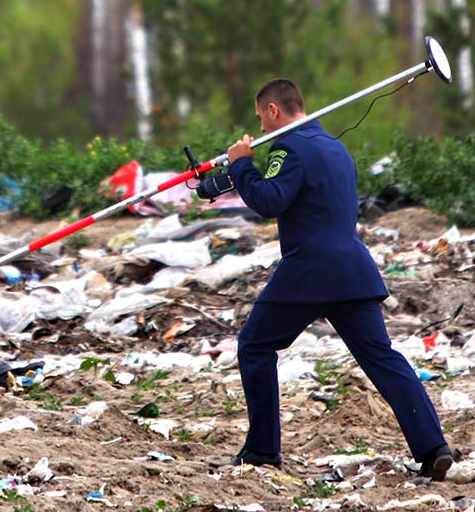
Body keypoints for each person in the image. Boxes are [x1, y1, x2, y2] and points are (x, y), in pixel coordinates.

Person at [194, 78, 455, 479]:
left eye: (261, 116)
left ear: (274, 111)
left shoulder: (289, 148)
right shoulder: (336, 147)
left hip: (309, 271)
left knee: (254, 346)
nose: (261, 127)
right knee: (382, 357)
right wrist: (238, 173)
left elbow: (269, 201)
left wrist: (242, 163)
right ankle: (433, 448)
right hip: (353, 271)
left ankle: (262, 451)